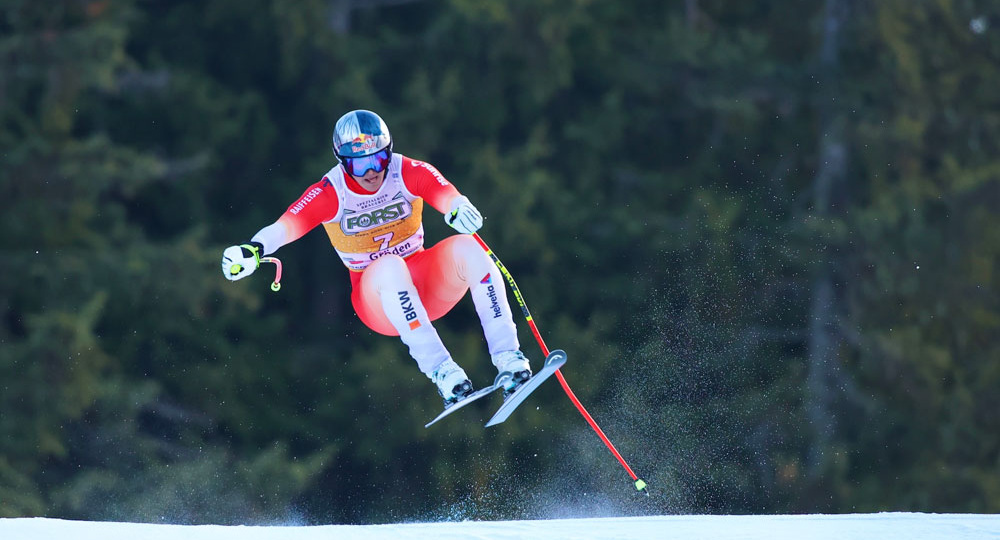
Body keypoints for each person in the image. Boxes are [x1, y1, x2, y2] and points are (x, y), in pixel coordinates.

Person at [220, 109, 532, 407]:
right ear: (343, 162)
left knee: (470, 248)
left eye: (379, 158)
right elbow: (287, 225)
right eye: (359, 165)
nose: (371, 171)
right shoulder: (331, 191)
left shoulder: (406, 170)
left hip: (426, 285)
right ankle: (444, 373)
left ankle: (509, 358)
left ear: (389, 151)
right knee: (389, 267)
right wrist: (254, 249)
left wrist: (458, 207)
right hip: (378, 300)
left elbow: (445, 192)